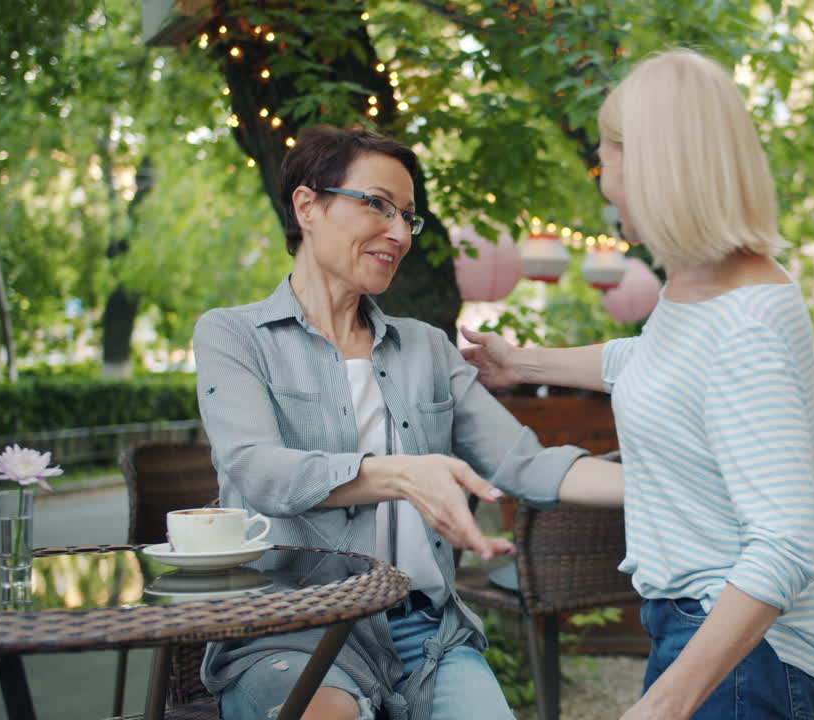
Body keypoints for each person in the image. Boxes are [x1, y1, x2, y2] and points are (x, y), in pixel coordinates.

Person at [192, 124, 622, 720]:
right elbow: (257, 470)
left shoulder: (426, 348)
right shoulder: (233, 334)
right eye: (377, 205)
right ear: (307, 206)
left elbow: (524, 463)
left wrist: (658, 483)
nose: (398, 233)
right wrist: (396, 475)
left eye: (408, 217)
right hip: (288, 629)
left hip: (426, 634)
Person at [462, 49, 814, 720]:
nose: (602, 177)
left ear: (657, 167)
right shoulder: (698, 283)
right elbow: (652, 364)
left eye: (609, 153)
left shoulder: (744, 321)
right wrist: (521, 363)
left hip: (743, 652)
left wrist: (665, 704)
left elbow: (787, 543)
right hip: (700, 627)